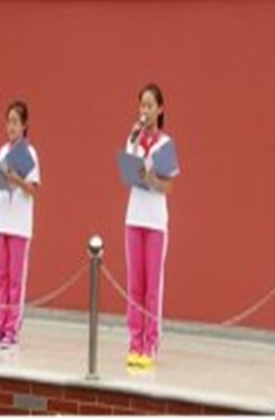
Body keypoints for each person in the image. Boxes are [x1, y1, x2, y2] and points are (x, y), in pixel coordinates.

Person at [123, 84, 180, 370]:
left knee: (152, 288)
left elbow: (168, 187)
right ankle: (134, 342)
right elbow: (127, 173)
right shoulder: (132, 139)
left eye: (149, 105)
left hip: (156, 222)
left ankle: (150, 343)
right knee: (135, 285)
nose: (144, 111)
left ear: (160, 109)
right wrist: (133, 149)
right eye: (141, 105)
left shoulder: (165, 144)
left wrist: (151, 179)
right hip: (133, 218)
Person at [0, 101, 41, 351]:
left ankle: (12, 330)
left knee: (15, 280)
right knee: (1, 278)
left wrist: (16, 179)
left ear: (25, 125)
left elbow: (33, 190)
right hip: (1, 223)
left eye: (15, 122)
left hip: (19, 226)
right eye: (8, 122)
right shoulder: (2, 151)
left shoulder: (29, 153)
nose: (11, 127)